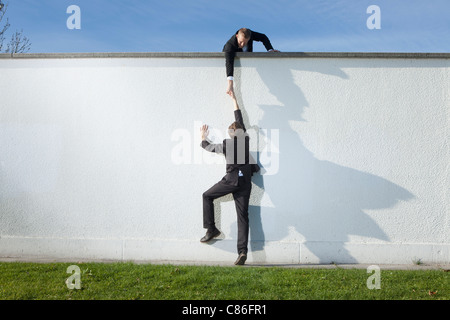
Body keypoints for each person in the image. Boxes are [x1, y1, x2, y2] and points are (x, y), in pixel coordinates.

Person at [199, 92, 260, 265]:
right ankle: (242, 252)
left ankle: (211, 229)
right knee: (243, 217)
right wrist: (234, 99)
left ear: (231, 133)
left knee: (206, 196)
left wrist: (203, 138)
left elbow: (209, 147)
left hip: (231, 181)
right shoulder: (246, 140)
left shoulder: (227, 143)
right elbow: (239, 118)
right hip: (245, 184)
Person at [222, 28, 279, 96]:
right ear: (237, 36)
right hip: (233, 61)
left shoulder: (250, 34)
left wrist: (270, 50)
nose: (242, 44)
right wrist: (230, 84)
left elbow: (263, 37)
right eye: (240, 42)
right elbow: (229, 63)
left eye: (245, 42)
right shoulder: (230, 45)